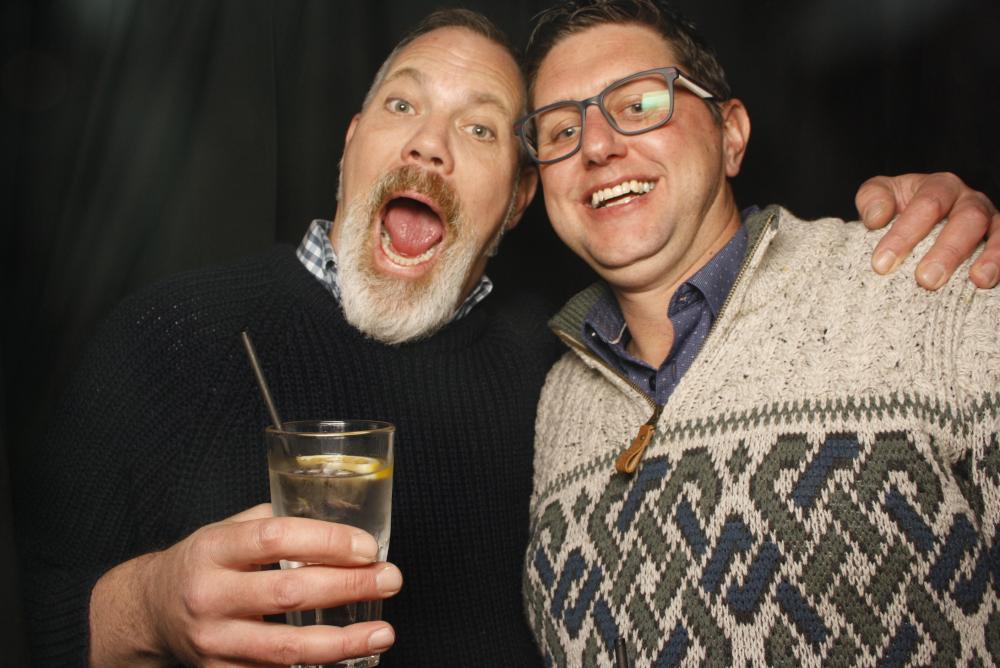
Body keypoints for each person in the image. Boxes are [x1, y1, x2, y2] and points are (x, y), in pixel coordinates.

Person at [14, 6, 996, 668]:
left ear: (520, 198)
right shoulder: (171, 335)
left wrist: (942, 248)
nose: (429, 144)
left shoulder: (553, 369)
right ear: (352, 142)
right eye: (402, 105)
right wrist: (146, 609)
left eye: (484, 129)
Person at [517, 2, 1000, 666]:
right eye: (562, 130)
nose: (596, 146)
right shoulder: (553, 402)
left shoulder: (923, 284)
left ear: (732, 134)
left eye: (639, 104)